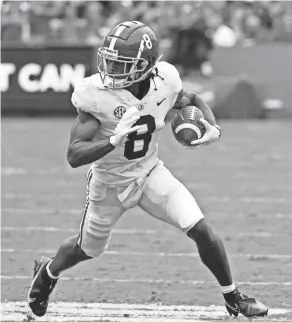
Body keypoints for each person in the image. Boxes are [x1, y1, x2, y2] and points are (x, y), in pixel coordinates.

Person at [27, 21, 268, 319]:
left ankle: (233, 297)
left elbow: (190, 100)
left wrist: (211, 126)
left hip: (150, 172)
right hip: (109, 185)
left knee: (201, 229)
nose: (111, 69)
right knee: (86, 249)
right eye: (110, 61)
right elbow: (74, 155)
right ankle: (48, 272)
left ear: (146, 65)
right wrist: (113, 139)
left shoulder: (165, 81)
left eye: (121, 64)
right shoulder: (95, 93)